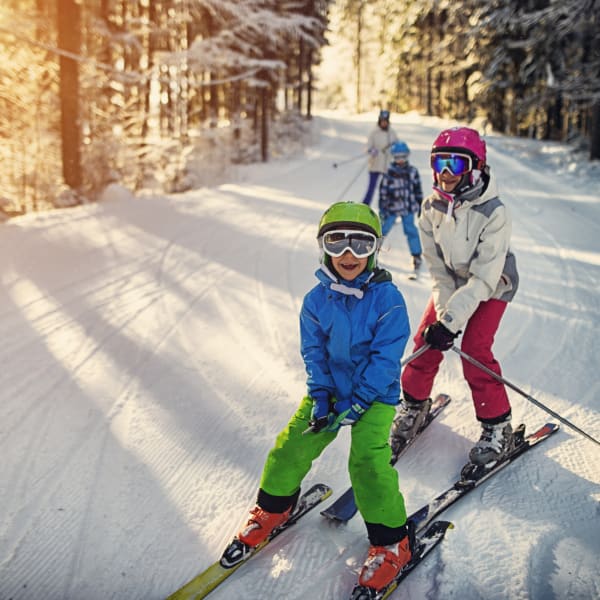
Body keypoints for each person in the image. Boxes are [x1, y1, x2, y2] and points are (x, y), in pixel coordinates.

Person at [222, 201, 415, 593]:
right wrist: (323, 393)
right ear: (323, 247)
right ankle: (273, 509)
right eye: (337, 243)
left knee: (367, 463)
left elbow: (385, 358)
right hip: (331, 390)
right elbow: (313, 351)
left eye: (360, 245)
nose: (349, 255)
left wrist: (361, 400)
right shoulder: (315, 300)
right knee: (292, 444)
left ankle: (393, 540)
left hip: (374, 397)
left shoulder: (388, 301)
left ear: (375, 249)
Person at [392, 126, 519, 469]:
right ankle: (414, 407)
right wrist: (445, 319)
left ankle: (498, 426)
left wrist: (451, 323)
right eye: (440, 163)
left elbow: (482, 279)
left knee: (475, 350)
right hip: (451, 281)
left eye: (456, 164)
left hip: (491, 284)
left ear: (476, 167)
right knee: (425, 341)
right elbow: (437, 270)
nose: (446, 173)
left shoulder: (494, 212)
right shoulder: (430, 207)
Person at [378, 140, 424, 270]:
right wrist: (383, 208)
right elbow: (383, 192)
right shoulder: (389, 173)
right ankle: (372, 252)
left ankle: (416, 255)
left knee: (411, 230)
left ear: (407, 156)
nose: (400, 160)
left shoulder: (412, 172)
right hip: (391, 208)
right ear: (393, 157)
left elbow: (417, 189)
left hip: (408, 207)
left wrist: (420, 204)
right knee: (383, 229)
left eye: (403, 157)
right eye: (397, 157)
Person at [362, 109, 398, 207]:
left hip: (387, 166)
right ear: (379, 121)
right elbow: (367, 147)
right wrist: (371, 151)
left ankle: (388, 211)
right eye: (382, 121)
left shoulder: (392, 133)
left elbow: (397, 146)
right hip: (375, 165)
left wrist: (392, 149)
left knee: (387, 190)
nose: (384, 123)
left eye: (385, 121)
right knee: (371, 188)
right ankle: (364, 207)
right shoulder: (374, 132)